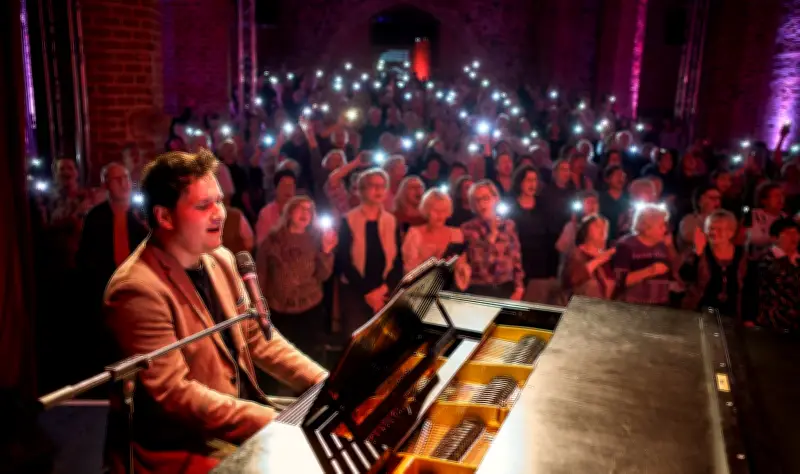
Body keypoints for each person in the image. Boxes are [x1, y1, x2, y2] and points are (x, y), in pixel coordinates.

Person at [103, 150, 326, 474]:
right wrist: (276, 423)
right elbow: (176, 394)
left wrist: (325, 384)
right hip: (187, 445)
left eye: (219, 201)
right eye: (203, 206)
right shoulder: (136, 290)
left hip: (237, 421)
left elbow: (257, 338)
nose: (219, 213)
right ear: (165, 217)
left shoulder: (219, 258)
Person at [256, 195, 337, 361]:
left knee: (308, 354)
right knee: (281, 355)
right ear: (289, 212)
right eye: (300, 208)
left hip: (309, 307)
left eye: (309, 210)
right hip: (279, 308)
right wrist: (259, 305)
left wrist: (326, 252)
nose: (305, 213)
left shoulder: (316, 240)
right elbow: (261, 274)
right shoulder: (272, 241)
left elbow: (323, 275)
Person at [335, 168, 403, 336]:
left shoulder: (391, 220)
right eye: (373, 186)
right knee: (358, 340)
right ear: (361, 190)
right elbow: (343, 260)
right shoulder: (349, 219)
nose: (378, 190)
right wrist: (368, 292)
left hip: (384, 289)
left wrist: (383, 289)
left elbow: (397, 260)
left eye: (382, 186)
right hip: (355, 290)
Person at [461, 180, 525, 299]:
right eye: (477, 200)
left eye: (485, 198)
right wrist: (492, 234)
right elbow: (478, 264)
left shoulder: (508, 225)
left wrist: (519, 287)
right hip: (480, 291)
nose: (482, 204)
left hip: (506, 288)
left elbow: (516, 258)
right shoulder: (468, 229)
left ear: (495, 199)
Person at [679, 210, 748, 319]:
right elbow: (685, 276)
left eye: (719, 229)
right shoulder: (701, 252)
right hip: (701, 311)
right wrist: (697, 254)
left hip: (732, 313)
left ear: (731, 232)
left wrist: (748, 317)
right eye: (711, 228)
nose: (714, 233)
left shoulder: (742, 255)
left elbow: (750, 287)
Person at [508, 165, 560, 304]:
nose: (532, 184)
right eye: (528, 180)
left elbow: (551, 239)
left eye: (534, 180)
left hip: (541, 265)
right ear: (520, 182)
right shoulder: (511, 208)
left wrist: (552, 271)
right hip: (520, 264)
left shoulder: (544, 207)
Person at [402, 190, 469, 289]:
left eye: (443, 211)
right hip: (421, 290)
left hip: (449, 289)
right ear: (426, 210)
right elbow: (409, 270)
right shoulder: (414, 234)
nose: (440, 215)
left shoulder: (456, 233)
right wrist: (434, 264)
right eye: (436, 210)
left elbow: (462, 267)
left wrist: (454, 266)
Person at [612, 203, 676, 306]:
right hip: (633, 307)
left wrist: (670, 247)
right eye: (661, 225)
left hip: (660, 306)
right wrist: (650, 271)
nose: (665, 229)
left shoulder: (662, 245)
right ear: (647, 228)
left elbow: (674, 272)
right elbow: (620, 281)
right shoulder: (626, 245)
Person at [754, 218, 800, 331]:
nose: (794, 237)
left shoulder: (797, 259)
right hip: (774, 323)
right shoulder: (765, 260)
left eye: (796, 233)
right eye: (788, 233)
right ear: (774, 238)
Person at [560, 215, 615, 300]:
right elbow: (571, 280)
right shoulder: (576, 254)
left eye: (605, 228)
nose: (603, 230)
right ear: (586, 230)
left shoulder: (610, 258)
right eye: (598, 226)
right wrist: (598, 261)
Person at [255, 169, 297, 245]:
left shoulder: (302, 210)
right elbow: (261, 244)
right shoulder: (266, 213)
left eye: (291, 186)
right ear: (275, 189)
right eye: (284, 185)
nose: (288, 189)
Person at [677, 185, 722, 251]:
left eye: (719, 198)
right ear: (700, 200)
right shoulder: (689, 219)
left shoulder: (724, 220)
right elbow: (689, 236)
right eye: (712, 198)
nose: (717, 202)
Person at [746, 181, 786, 254]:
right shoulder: (753, 215)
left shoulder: (785, 218)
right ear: (764, 200)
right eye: (777, 196)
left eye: (782, 195)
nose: (781, 199)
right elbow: (750, 238)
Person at [598, 165, 628, 241]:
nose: (620, 179)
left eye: (622, 176)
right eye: (617, 175)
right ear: (608, 179)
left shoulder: (629, 199)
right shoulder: (600, 199)